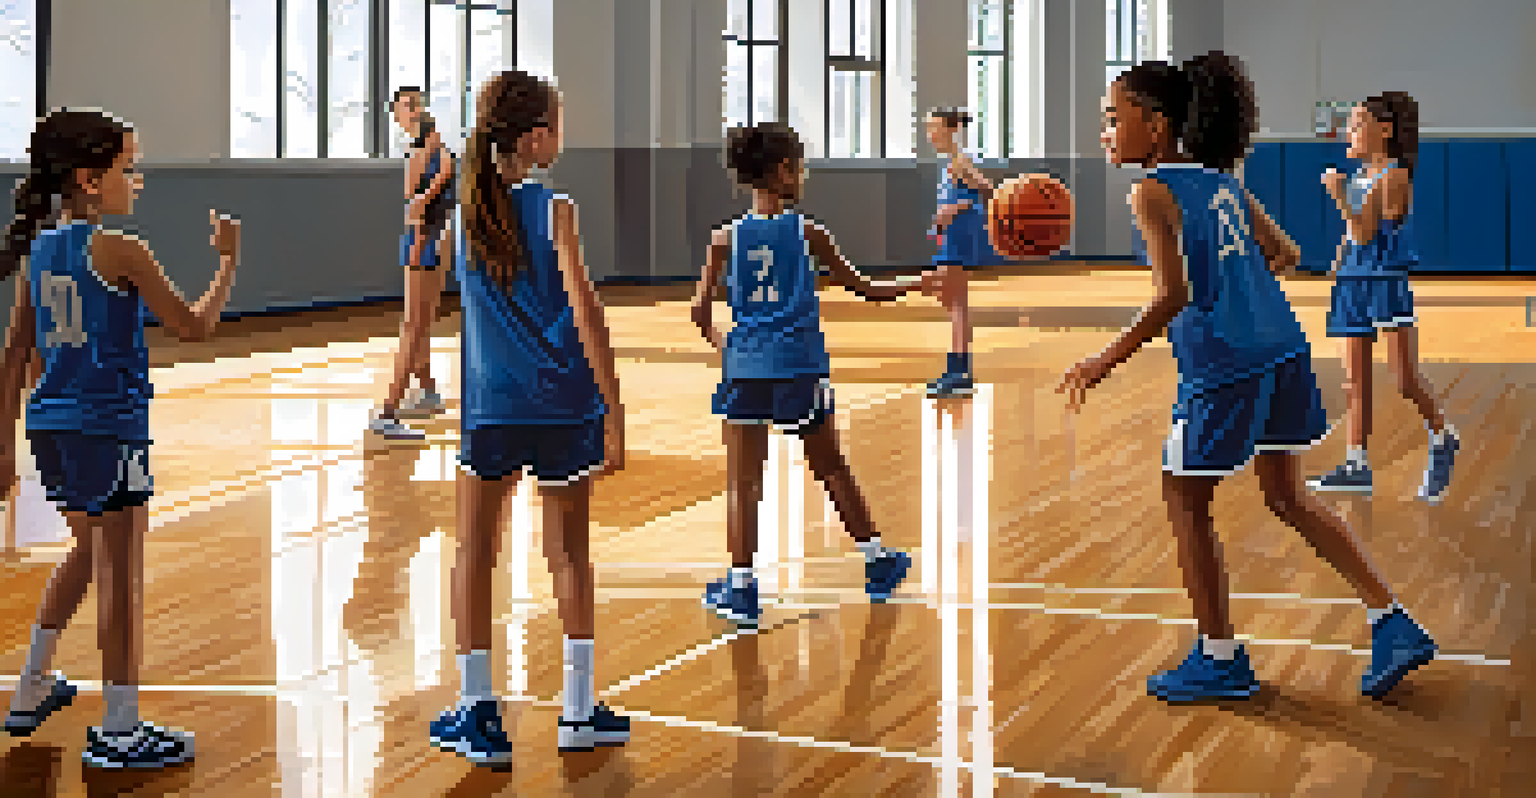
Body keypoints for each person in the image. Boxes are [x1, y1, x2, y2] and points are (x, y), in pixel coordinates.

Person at [1060, 54, 1437, 702]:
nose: (1104, 132)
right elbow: (1286, 254)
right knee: (1288, 497)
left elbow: (1171, 293)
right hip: (1282, 350)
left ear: (1153, 126)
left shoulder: (1152, 190)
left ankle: (1219, 656)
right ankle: (1390, 618)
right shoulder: (1222, 181)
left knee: (1184, 498)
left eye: (1111, 118)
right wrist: (1240, 280)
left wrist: (1104, 359)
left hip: (1224, 364)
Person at [0, 108, 240, 766]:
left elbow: (16, 354)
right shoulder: (120, 251)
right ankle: (121, 729)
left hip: (52, 431)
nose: (138, 179)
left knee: (86, 553)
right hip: (109, 430)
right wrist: (227, 264)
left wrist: (2, 448)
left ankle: (31, 687)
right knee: (121, 578)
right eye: (127, 167)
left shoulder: (41, 251)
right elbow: (193, 327)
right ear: (88, 178)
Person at [426, 70, 628, 765]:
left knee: (474, 552)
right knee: (570, 554)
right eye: (560, 122)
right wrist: (614, 407)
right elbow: (587, 311)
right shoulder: (556, 211)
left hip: (491, 406)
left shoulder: (466, 213)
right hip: (564, 403)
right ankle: (577, 710)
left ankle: (477, 708)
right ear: (537, 138)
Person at [693, 121, 914, 627]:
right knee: (831, 467)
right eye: (796, 164)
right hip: (797, 367)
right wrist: (918, 281)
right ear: (781, 170)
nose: (801, 173)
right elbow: (866, 289)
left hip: (744, 369)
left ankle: (742, 587)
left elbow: (700, 311)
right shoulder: (808, 233)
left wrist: (727, 346)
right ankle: (877, 560)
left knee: (742, 484)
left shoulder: (723, 239)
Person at [1307, 93, 1458, 502]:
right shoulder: (1358, 176)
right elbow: (1350, 237)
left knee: (1404, 379)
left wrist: (1337, 195)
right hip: (1352, 284)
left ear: (1385, 129)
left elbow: (1365, 233)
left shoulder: (1395, 176)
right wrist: (1338, 263)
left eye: (1357, 123)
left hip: (1383, 281)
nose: (1349, 131)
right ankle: (1357, 463)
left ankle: (1443, 435)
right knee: (1354, 381)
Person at [371, 87, 455, 440]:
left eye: (418, 102)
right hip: (422, 239)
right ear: (398, 116)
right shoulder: (421, 149)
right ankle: (403, 403)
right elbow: (413, 198)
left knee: (419, 324)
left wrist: (433, 181)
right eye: (407, 106)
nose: (415, 109)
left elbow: (440, 177)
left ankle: (413, 399)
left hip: (433, 240)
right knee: (415, 325)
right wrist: (431, 185)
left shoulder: (433, 145)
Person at [922, 107, 999, 398]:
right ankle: (957, 369)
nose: (930, 134)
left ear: (951, 130)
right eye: (929, 128)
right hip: (949, 237)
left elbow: (989, 191)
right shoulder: (950, 164)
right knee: (953, 303)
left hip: (959, 239)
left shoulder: (961, 162)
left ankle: (959, 372)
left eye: (935, 128)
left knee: (956, 306)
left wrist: (956, 208)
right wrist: (941, 220)